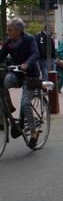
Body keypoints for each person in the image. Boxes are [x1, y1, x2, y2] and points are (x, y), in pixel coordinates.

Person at [0, 18, 41, 148]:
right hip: (16, 73)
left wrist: (27, 64)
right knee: (3, 84)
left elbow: (35, 53)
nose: (7, 32)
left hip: (30, 74)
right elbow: (1, 56)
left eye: (9, 30)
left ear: (18, 31)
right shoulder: (9, 42)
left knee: (25, 103)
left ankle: (34, 132)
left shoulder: (29, 39)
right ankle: (8, 109)